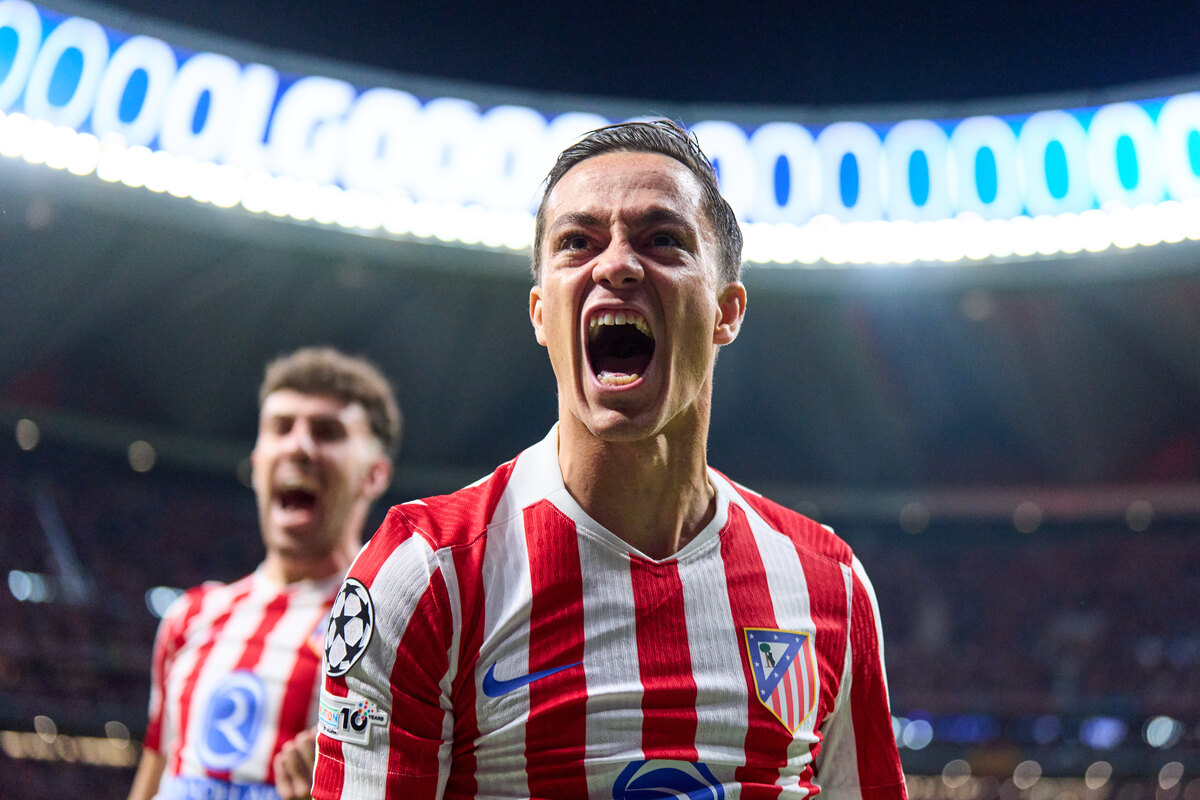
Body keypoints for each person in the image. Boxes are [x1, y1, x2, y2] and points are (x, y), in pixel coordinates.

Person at [312, 121, 907, 799]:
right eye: (577, 242)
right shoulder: (426, 574)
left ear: (726, 311)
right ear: (540, 314)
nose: (617, 264)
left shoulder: (828, 584)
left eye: (662, 240)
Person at [127, 347, 401, 800]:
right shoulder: (189, 616)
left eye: (327, 432)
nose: (299, 445)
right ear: (256, 462)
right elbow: (152, 780)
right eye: (281, 427)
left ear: (373, 474)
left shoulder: (389, 626)